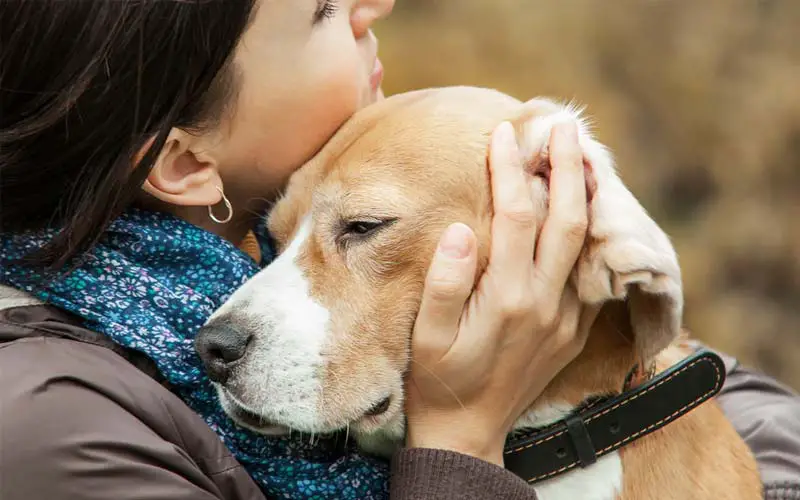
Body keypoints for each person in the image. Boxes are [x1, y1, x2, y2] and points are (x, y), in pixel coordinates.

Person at [0, 1, 797, 499]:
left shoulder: (266, 225)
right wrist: (458, 435)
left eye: (359, 229)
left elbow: (703, 387)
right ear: (185, 163)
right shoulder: (50, 426)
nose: (374, 5)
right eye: (318, 10)